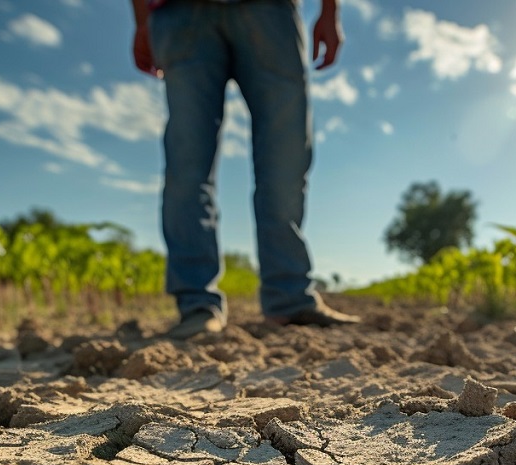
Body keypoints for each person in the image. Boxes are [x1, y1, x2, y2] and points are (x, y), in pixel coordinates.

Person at [131, 0, 360, 339]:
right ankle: (196, 305)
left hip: (271, 9)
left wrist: (330, 10)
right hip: (179, 11)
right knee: (186, 164)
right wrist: (142, 21)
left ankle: (290, 298)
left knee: (285, 158)